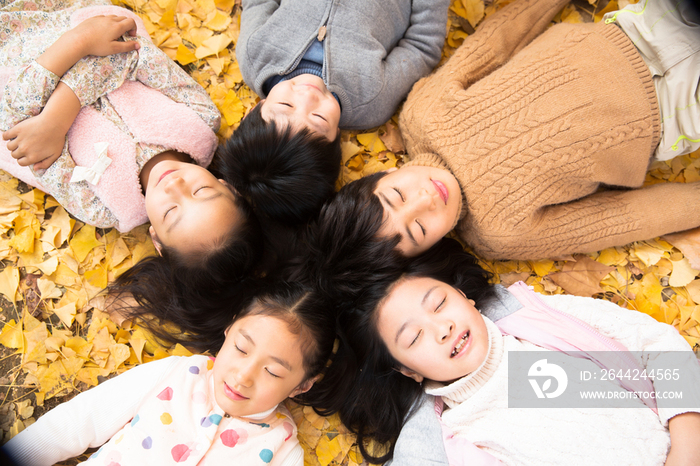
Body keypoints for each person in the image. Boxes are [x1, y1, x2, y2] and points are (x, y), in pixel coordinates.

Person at [313, 0, 700, 261]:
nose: (426, 200)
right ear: (431, 247)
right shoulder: (499, 235)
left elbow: (497, 41)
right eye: (418, 229)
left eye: (398, 195)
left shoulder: (422, 115)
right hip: (673, 115)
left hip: (631, 31)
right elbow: (617, 218)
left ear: (385, 174)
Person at [324, 238, 700, 464]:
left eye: (439, 304)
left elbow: (658, 345)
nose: (442, 329)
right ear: (407, 370)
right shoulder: (452, 435)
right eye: (413, 338)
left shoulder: (542, 317)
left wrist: (687, 448)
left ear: (467, 298)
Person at [3, 281, 336, 466]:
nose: (243, 375)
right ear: (229, 328)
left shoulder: (282, 451)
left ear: (302, 385)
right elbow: (81, 420)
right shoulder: (178, 374)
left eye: (273, 372)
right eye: (242, 348)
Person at [236, 0, 452, 137]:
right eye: (318, 118)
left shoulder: (254, 54)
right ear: (336, 137)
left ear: (255, 110)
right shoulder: (372, 98)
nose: (307, 97)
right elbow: (422, 45)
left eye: (285, 104)